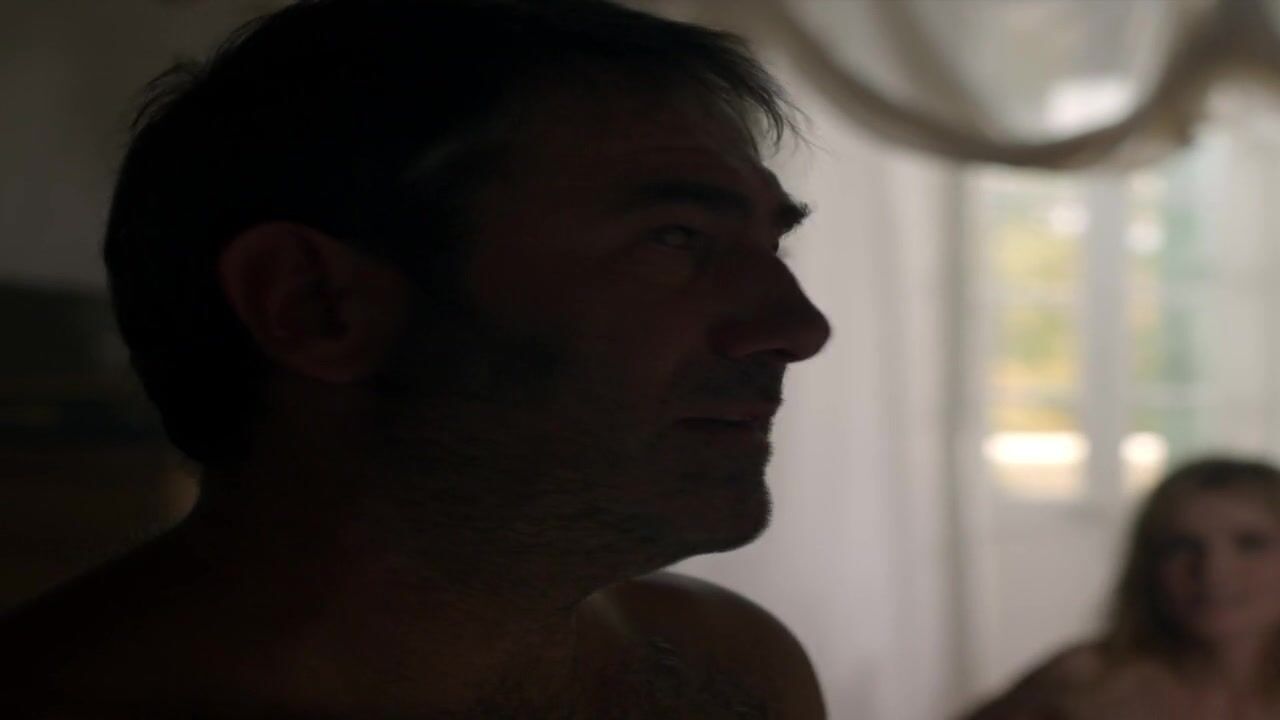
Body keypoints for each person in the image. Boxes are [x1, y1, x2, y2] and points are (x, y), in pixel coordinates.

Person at [0, 0, 832, 717]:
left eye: (772, 245)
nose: (799, 328)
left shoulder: (730, 670)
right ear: (315, 304)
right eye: (676, 238)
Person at [961, 456, 1280, 720]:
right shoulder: (1084, 680)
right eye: (1181, 545)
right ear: (1148, 564)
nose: (1214, 570)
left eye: (1251, 544)